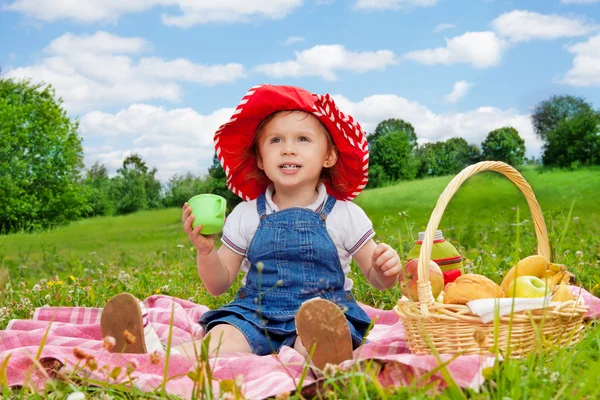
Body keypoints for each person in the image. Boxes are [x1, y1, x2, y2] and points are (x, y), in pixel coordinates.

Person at [101, 84, 402, 370]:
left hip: (322, 312)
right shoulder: (246, 214)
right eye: (275, 140)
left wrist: (385, 269)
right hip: (256, 313)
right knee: (222, 337)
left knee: (317, 334)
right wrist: (206, 252)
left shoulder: (346, 214)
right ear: (260, 158)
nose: (288, 149)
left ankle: (314, 365)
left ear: (329, 156)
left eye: (303, 139)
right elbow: (218, 285)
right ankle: (154, 356)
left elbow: (377, 280)